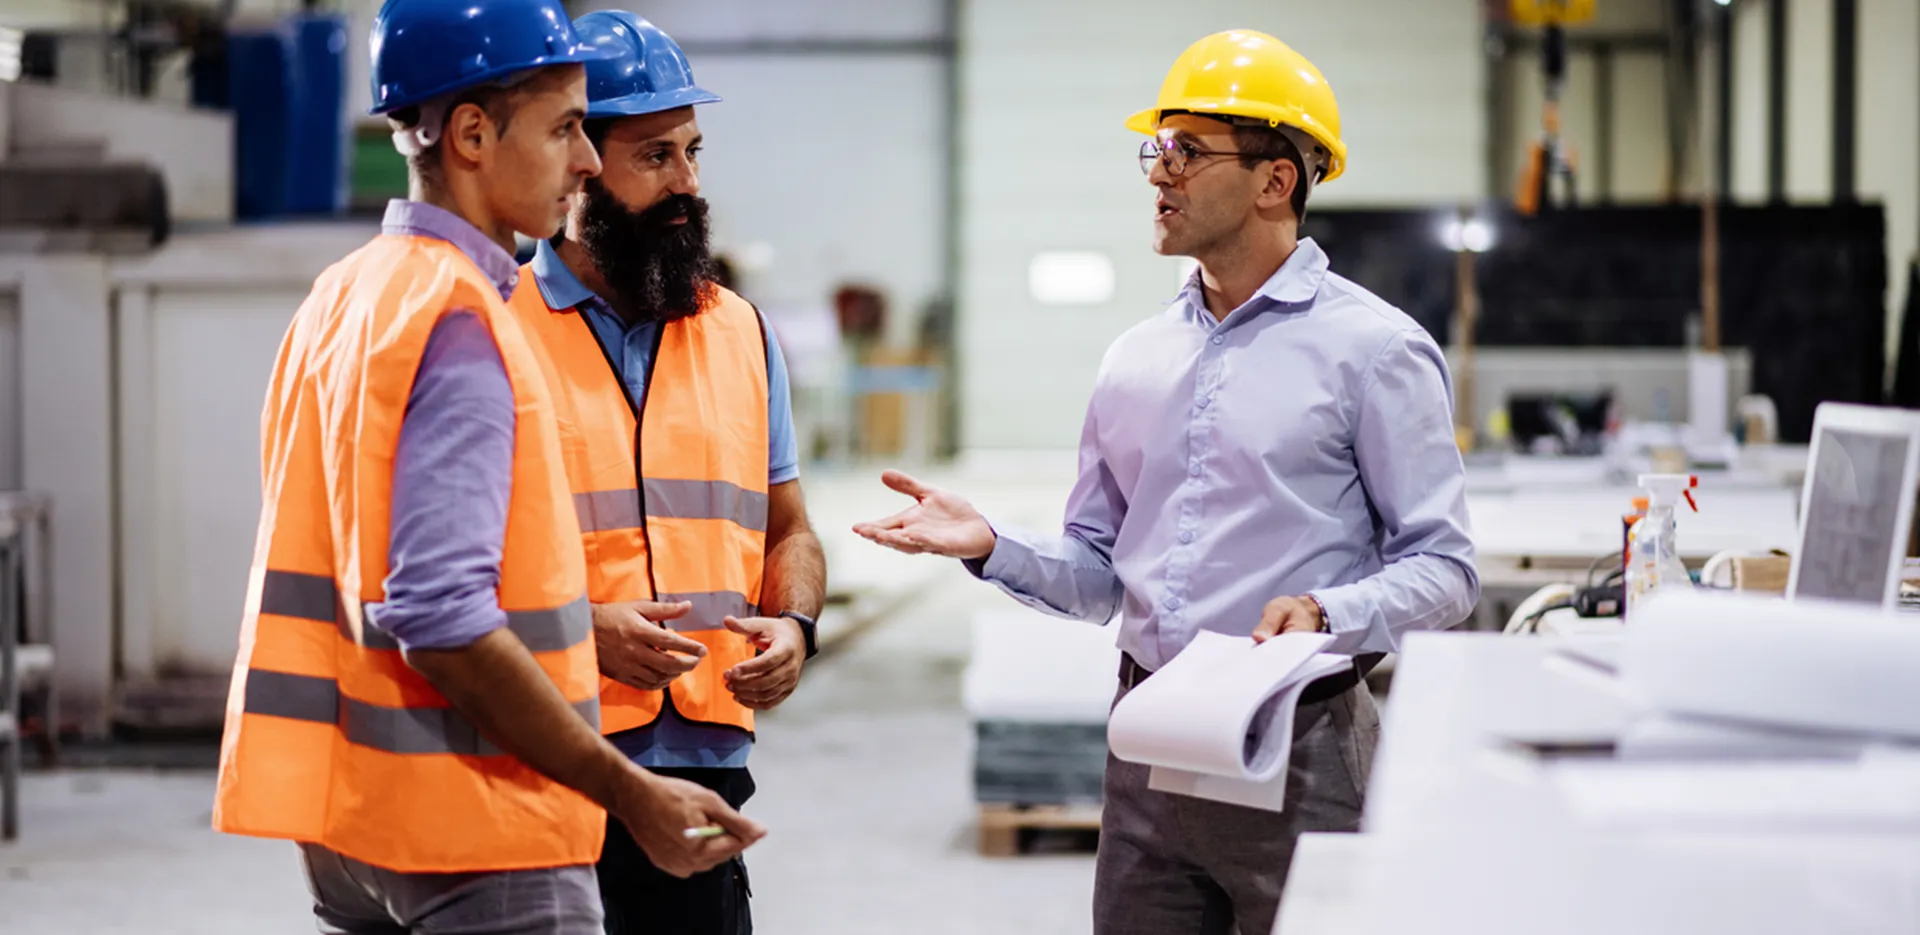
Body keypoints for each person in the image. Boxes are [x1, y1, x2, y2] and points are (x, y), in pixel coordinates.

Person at [854, 29, 1478, 935]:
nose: (1159, 173)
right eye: (1157, 148)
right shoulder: (1137, 357)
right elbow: (1101, 572)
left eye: (1188, 151)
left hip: (1299, 747)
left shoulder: (1375, 351)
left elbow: (1448, 569)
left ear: (1277, 180)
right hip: (1146, 742)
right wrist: (995, 545)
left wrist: (1327, 612)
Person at [211, 1, 764, 931]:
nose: (585, 160)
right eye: (562, 129)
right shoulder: (463, 320)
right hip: (479, 819)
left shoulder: (344, 297)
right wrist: (628, 791)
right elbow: (439, 615)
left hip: (352, 822)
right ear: (471, 133)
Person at [506, 12, 826, 934]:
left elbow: (788, 526)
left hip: (705, 759)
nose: (689, 184)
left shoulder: (740, 330)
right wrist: (580, 630)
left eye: (692, 152)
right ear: (578, 166)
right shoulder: (492, 327)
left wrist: (796, 624)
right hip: (543, 748)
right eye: (655, 157)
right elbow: (444, 577)